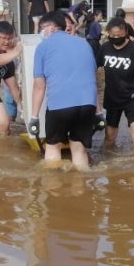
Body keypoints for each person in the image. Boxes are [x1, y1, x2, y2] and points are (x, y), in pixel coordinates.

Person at [29, 10, 100, 171]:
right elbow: (93, 81)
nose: (41, 32)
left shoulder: (43, 47)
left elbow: (39, 86)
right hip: (87, 105)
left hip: (59, 106)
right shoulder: (84, 43)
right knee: (79, 149)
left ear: (53, 28)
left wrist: (34, 117)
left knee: (53, 147)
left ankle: (54, 191)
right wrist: (99, 112)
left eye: (43, 28)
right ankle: (81, 189)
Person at [98, 16, 134, 155]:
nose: (116, 38)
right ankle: (107, 162)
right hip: (112, 98)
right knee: (110, 137)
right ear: (108, 33)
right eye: (112, 35)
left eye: (119, 35)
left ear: (125, 32)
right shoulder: (105, 48)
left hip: (133, 98)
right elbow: (93, 69)